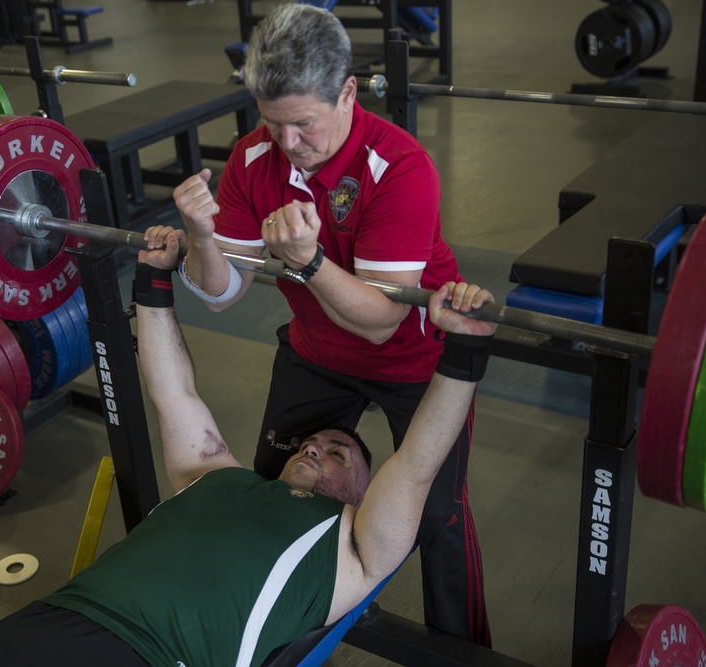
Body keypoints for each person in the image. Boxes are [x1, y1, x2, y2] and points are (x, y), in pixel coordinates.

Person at [0, 243, 497, 666]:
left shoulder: (357, 545)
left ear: (363, 491)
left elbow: (418, 461)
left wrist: (466, 348)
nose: (314, 446)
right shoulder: (213, 475)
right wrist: (153, 278)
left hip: (156, 656)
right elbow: (174, 393)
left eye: (338, 453)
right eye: (311, 442)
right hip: (56, 615)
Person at [165, 1, 490, 645]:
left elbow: (378, 323)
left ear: (346, 93)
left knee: (435, 520)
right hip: (316, 349)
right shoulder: (254, 158)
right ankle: (269, 635)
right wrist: (201, 236)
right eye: (271, 123)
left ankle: (460, 653)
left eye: (303, 124)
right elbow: (223, 292)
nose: (287, 143)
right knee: (268, 488)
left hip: (411, 361)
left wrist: (308, 261)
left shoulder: (399, 168)